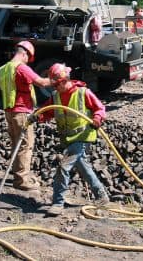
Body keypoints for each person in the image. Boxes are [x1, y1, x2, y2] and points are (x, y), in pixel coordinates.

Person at [30, 63, 110, 216]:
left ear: (65, 80)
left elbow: (100, 108)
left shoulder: (83, 93)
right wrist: (37, 116)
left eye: (57, 85)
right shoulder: (55, 96)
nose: (55, 88)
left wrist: (97, 118)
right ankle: (101, 195)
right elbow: (47, 112)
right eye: (53, 85)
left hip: (83, 136)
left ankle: (58, 203)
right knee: (83, 167)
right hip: (68, 138)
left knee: (63, 166)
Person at [0, 41, 52, 191]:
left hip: (9, 112)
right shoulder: (21, 68)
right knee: (25, 146)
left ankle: (18, 175)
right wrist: (58, 78)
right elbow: (41, 82)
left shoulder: (3, 69)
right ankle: (22, 181)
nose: (28, 61)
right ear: (24, 53)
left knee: (16, 144)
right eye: (29, 57)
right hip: (22, 112)